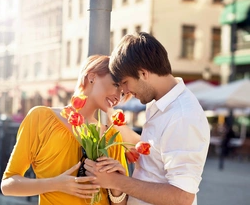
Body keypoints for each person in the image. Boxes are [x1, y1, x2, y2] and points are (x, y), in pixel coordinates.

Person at [84, 32, 210, 205]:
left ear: (143, 73)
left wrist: (115, 181)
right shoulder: (159, 105)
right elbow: (155, 168)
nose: (125, 92)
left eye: (125, 82)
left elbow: (182, 197)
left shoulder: (182, 116)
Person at [0, 55, 129, 205]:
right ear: (92, 77)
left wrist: (117, 185)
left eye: (122, 93)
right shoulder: (41, 118)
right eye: (115, 85)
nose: (118, 97)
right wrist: (56, 184)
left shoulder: (111, 136)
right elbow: (8, 184)